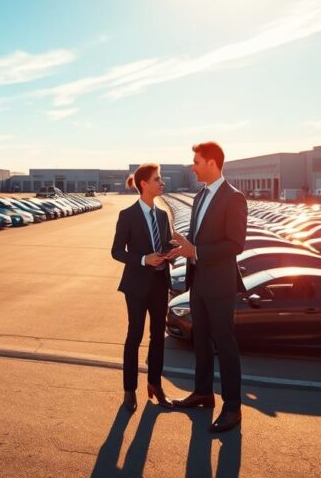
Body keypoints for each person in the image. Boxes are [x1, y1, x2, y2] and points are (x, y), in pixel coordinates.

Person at [166, 141, 247, 432]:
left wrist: (196, 251)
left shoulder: (233, 198)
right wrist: (182, 247)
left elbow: (235, 244)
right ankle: (202, 393)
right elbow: (195, 237)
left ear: (212, 163)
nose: (193, 166)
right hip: (198, 282)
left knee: (225, 346)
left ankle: (233, 407)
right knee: (199, 340)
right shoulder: (200, 196)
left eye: (197, 161)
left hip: (220, 285)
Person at [110, 163, 174, 412]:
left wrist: (172, 253)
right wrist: (142, 259)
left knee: (158, 337)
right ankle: (129, 392)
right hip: (136, 286)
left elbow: (166, 243)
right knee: (134, 337)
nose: (162, 183)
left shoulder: (163, 215)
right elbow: (116, 251)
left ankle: (155, 386)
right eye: (158, 179)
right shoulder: (127, 215)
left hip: (160, 283)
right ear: (144, 184)